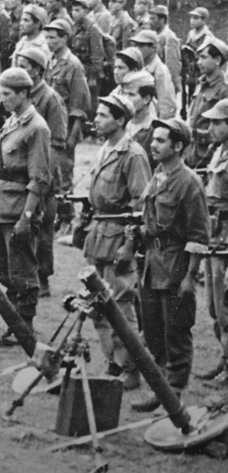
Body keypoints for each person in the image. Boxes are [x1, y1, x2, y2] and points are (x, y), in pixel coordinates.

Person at [132, 118, 209, 412]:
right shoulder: (158, 175)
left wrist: (190, 277)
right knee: (153, 328)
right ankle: (162, 388)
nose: (153, 144)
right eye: (153, 139)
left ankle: (174, 392)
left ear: (178, 146)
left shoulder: (189, 182)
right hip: (153, 262)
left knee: (175, 330)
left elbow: (199, 235)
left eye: (161, 140)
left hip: (176, 265)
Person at [83, 94, 152, 390]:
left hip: (118, 236)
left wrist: (129, 245)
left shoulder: (133, 155)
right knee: (98, 306)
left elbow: (141, 206)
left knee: (121, 307)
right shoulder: (105, 148)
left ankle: (130, 368)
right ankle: (112, 363)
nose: (96, 120)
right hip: (99, 232)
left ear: (120, 120)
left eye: (102, 115)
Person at [0, 67, 51, 344]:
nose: (2, 98)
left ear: (24, 93)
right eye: (1, 93)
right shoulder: (12, 122)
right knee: (4, 270)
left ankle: (24, 325)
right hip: (3, 205)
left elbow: (39, 177)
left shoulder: (36, 128)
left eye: (8, 94)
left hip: (20, 208)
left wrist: (27, 216)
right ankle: (14, 322)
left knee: (22, 270)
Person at [14, 46, 66, 298]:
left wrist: (42, 175)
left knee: (44, 228)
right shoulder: (20, 95)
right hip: (23, 173)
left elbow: (58, 143)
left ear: (37, 70)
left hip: (43, 176)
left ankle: (43, 277)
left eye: (24, 65)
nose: (20, 69)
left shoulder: (50, 99)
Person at [43, 18, 90, 232]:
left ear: (65, 38)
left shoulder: (73, 65)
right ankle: (54, 214)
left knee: (64, 176)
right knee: (49, 173)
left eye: (53, 37)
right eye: (47, 37)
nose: (49, 41)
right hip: (49, 126)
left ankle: (67, 218)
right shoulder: (50, 61)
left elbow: (79, 103)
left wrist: (72, 136)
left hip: (66, 128)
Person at [199, 98, 228, 386]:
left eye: (217, 123)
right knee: (213, 306)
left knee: (226, 305)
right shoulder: (218, 151)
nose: (211, 128)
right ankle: (224, 358)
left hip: (226, 236)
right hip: (214, 234)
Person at [185, 38, 228, 168]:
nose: (199, 62)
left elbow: (224, 130)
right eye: (198, 58)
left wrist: (194, 134)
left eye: (204, 57)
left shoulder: (223, 90)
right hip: (191, 153)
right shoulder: (201, 83)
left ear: (217, 60)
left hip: (207, 156)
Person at [130, 29, 176, 120]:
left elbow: (167, 106)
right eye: (136, 45)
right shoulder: (139, 67)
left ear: (153, 48)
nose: (137, 49)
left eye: (141, 46)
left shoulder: (160, 71)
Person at [71, 0, 104, 117]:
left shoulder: (92, 29)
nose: (74, 13)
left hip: (89, 70)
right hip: (78, 68)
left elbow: (97, 55)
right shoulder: (74, 26)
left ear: (85, 11)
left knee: (90, 100)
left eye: (78, 10)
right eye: (73, 10)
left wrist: (94, 77)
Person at [120, 69, 157, 169]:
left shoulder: (154, 130)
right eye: (124, 94)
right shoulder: (124, 125)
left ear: (146, 99)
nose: (125, 99)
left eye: (131, 94)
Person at [149, 4, 181, 95]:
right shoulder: (154, 35)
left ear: (162, 20)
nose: (150, 22)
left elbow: (172, 65)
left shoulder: (169, 38)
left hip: (163, 83)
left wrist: (170, 86)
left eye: (153, 19)